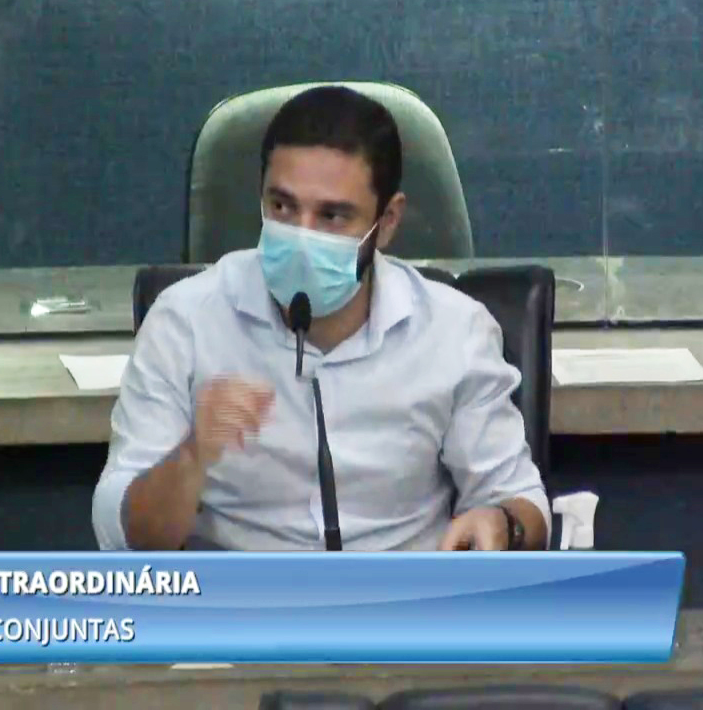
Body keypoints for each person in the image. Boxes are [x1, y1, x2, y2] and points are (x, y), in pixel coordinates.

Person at [92, 85, 549, 552]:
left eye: (332, 216)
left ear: (388, 221)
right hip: (242, 595)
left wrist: (504, 523)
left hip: (401, 592)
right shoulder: (185, 321)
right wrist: (192, 458)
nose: (301, 237)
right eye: (282, 206)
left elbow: (519, 499)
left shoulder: (454, 331)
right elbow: (120, 535)